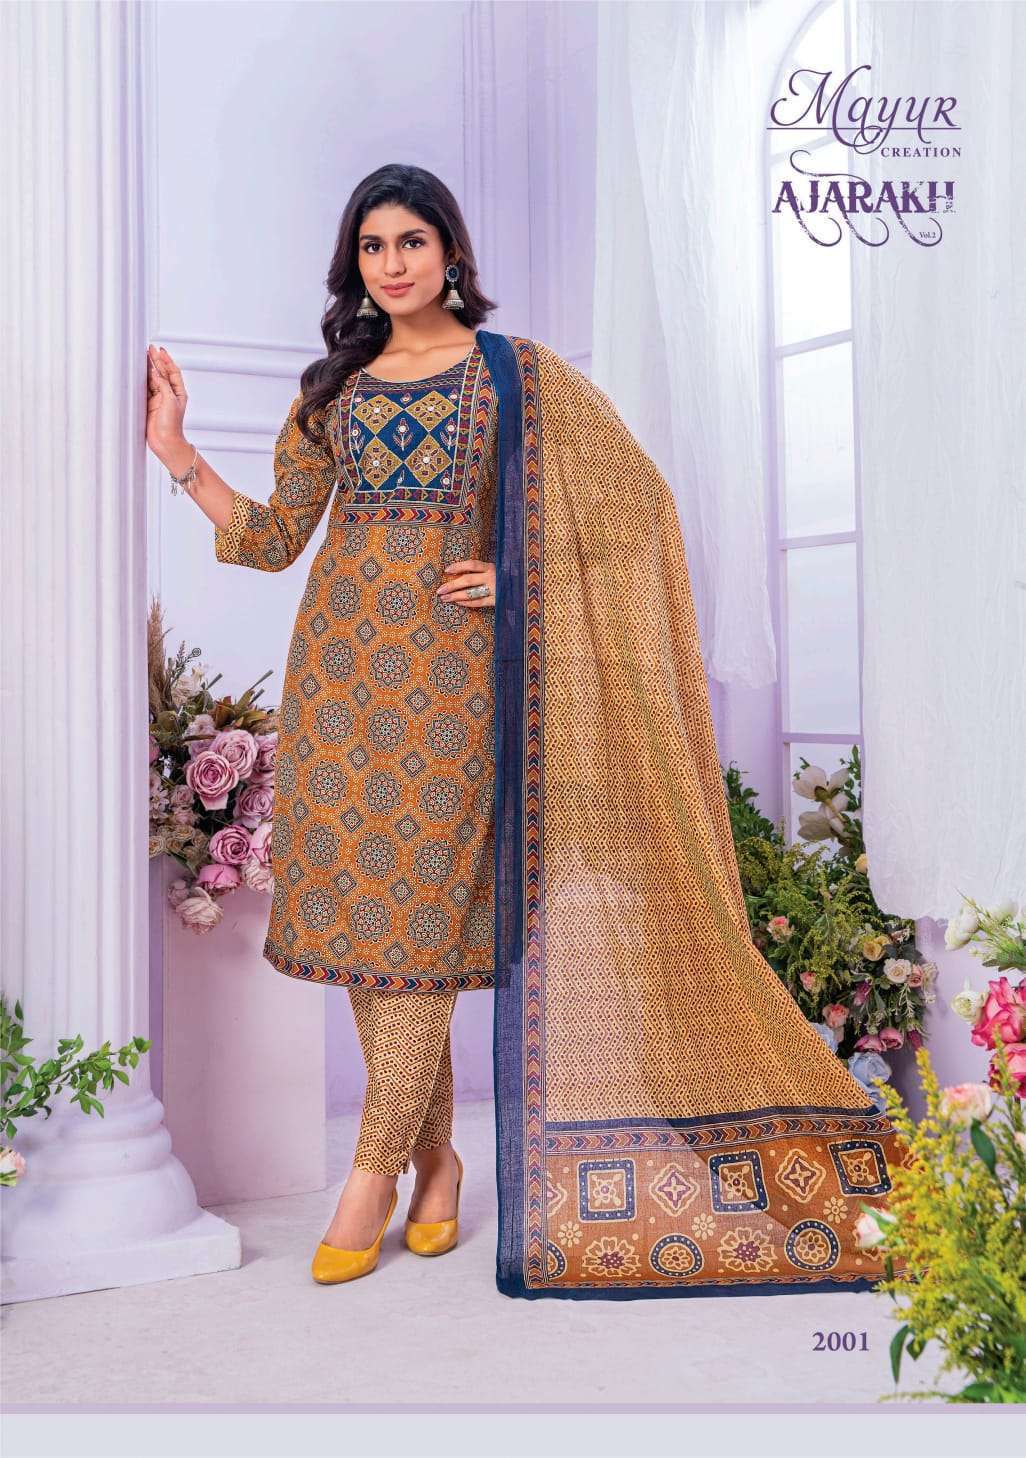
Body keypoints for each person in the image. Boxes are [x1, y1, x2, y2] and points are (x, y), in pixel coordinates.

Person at [146, 163, 913, 1301]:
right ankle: (438, 1167)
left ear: (451, 252)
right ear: (354, 262)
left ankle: (369, 1177)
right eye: (372, 246)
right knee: (378, 930)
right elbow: (270, 540)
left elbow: (636, 515)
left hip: (458, 689)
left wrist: (520, 579)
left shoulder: (521, 377)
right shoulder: (332, 391)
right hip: (342, 686)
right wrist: (177, 452)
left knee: (420, 923)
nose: (392, 263)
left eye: (411, 241)